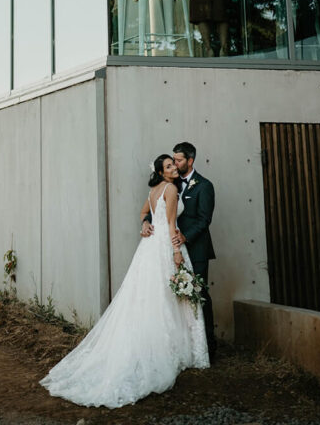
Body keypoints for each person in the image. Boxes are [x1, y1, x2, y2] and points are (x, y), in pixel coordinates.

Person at [40, 154, 208, 409]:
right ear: (162, 172)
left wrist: (145, 225)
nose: (174, 168)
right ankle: (171, 352)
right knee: (168, 296)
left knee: (148, 296)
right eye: (169, 166)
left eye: (174, 164)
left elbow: (144, 213)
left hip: (148, 247)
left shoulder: (154, 190)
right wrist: (176, 251)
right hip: (164, 245)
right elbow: (172, 223)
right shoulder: (171, 189)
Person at [170, 142, 217, 359]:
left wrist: (185, 236)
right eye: (174, 159)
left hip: (196, 249)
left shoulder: (204, 186)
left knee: (199, 294)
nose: (175, 163)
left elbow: (204, 219)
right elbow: (160, 208)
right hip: (175, 250)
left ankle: (208, 347)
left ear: (190, 161)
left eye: (179, 160)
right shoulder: (171, 183)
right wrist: (146, 221)